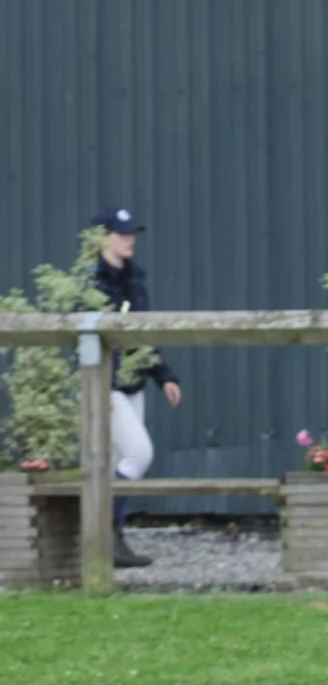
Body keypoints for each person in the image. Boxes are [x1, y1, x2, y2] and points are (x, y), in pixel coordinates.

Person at [88, 206, 182, 569]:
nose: (130, 239)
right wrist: (104, 387)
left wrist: (165, 376)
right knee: (138, 454)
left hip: (132, 383)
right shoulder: (91, 281)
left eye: (132, 233)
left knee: (118, 462)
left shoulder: (135, 278)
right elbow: (85, 338)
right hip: (104, 385)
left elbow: (142, 334)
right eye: (121, 233)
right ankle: (104, 537)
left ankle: (111, 543)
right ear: (102, 238)